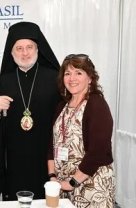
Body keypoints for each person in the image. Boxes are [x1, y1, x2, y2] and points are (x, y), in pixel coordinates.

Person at [0, 21, 61, 201]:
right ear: (11, 52)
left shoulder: (55, 79)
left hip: (46, 157)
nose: (25, 53)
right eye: (19, 48)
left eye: (29, 47)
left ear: (38, 49)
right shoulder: (3, 82)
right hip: (14, 160)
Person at [47, 54, 115, 207]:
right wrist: (52, 176)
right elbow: (51, 144)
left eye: (78, 73)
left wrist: (73, 182)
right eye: (67, 73)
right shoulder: (61, 107)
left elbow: (98, 151)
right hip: (63, 186)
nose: (72, 78)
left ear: (90, 78)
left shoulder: (96, 105)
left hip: (92, 186)